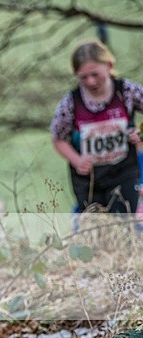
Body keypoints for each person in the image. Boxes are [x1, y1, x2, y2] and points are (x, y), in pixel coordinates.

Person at [51, 40, 143, 215]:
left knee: (121, 225)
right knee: (96, 231)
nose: (91, 81)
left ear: (109, 65)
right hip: (89, 179)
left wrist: (141, 132)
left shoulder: (126, 91)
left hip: (124, 170)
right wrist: (76, 160)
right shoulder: (71, 103)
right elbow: (57, 137)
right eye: (83, 77)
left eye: (95, 74)